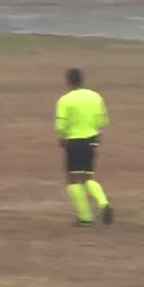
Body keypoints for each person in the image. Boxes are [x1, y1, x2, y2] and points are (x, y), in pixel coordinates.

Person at [56, 68, 114, 226]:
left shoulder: (65, 100)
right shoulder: (95, 97)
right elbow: (102, 121)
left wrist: (62, 137)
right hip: (91, 140)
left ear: (68, 81)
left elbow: (61, 126)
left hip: (74, 141)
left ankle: (85, 217)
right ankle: (103, 203)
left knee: (73, 180)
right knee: (88, 177)